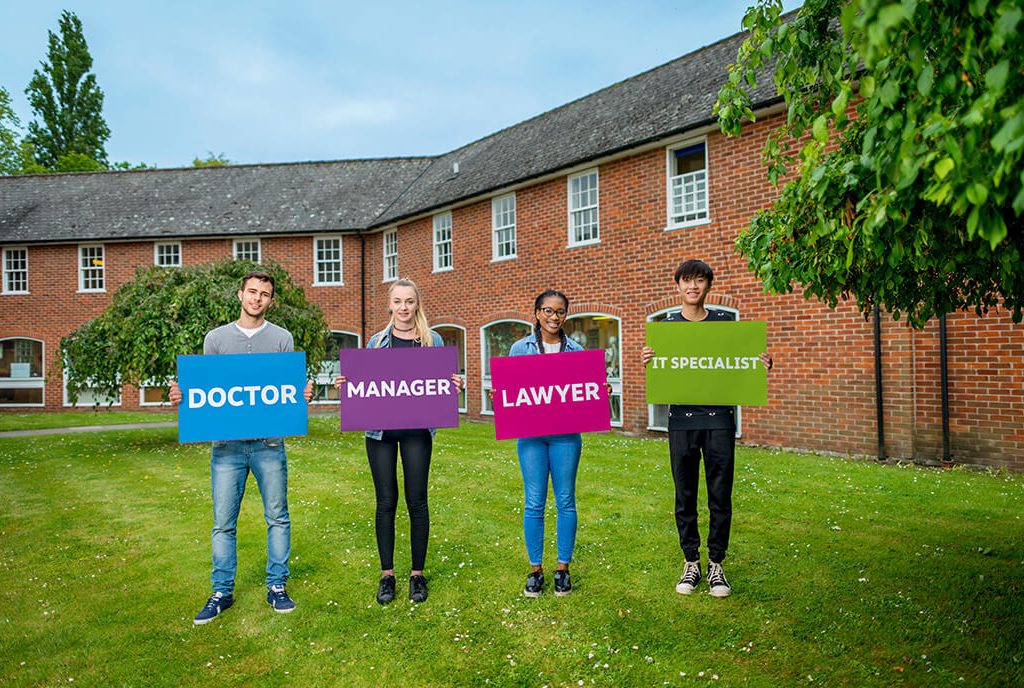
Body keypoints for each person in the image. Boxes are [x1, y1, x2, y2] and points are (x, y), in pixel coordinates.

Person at [169, 270, 314, 625]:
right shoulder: (216, 339)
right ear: (240, 295)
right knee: (223, 523)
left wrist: (302, 396)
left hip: (269, 444)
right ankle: (222, 591)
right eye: (252, 292)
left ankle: (277, 586)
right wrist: (185, 396)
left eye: (264, 294)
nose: (257, 299)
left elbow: (285, 392)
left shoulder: (282, 338)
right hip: (227, 448)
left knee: (277, 517)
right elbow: (210, 392)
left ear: (271, 301)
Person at [641, 259, 772, 598]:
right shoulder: (666, 328)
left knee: (719, 494)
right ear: (678, 286)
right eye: (687, 281)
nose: (693, 287)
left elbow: (739, 365)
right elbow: (665, 370)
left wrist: (759, 365)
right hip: (681, 421)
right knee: (684, 495)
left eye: (699, 281)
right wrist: (649, 360)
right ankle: (690, 561)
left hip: (719, 421)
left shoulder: (726, 324)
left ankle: (716, 563)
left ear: (708, 286)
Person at [335, 278, 463, 605]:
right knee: (386, 500)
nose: (403, 307)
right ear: (389, 305)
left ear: (417, 304)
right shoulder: (377, 342)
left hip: (417, 431)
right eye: (398, 301)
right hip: (380, 433)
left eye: (409, 301)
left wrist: (453, 383)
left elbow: (439, 383)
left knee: (417, 500)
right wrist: (346, 383)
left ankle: (417, 575)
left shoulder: (431, 341)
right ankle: (387, 575)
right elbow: (365, 381)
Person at [506, 290, 585, 598]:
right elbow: (513, 389)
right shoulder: (519, 348)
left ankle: (562, 569)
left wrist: (596, 390)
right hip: (530, 436)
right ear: (537, 313)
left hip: (566, 436)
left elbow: (581, 391)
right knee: (534, 502)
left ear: (566, 315)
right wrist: (502, 396)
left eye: (560, 312)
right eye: (548, 311)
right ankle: (536, 570)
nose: (554, 317)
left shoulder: (576, 349)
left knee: (566, 500)